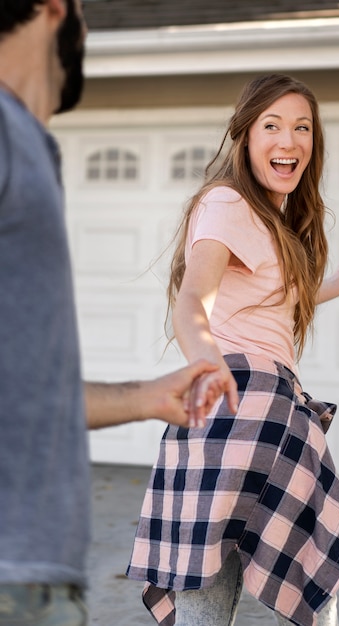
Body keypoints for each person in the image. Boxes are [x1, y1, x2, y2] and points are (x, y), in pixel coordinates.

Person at [126, 73, 339, 626]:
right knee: (307, 587)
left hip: (241, 413)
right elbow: (195, 296)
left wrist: (338, 286)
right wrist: (208, 359)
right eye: (271, 125)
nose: (288, 140)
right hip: (247, 402)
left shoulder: (270, 222)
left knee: (209, 588)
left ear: (314, 144)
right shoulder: (227, 202)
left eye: (302, 127)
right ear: (245, 136)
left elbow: (272, 301)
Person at [0, 1, 224, 625]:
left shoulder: (25, 141)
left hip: (34, 576)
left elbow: (18, 389)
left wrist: (144, 397)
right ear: (55, 9)